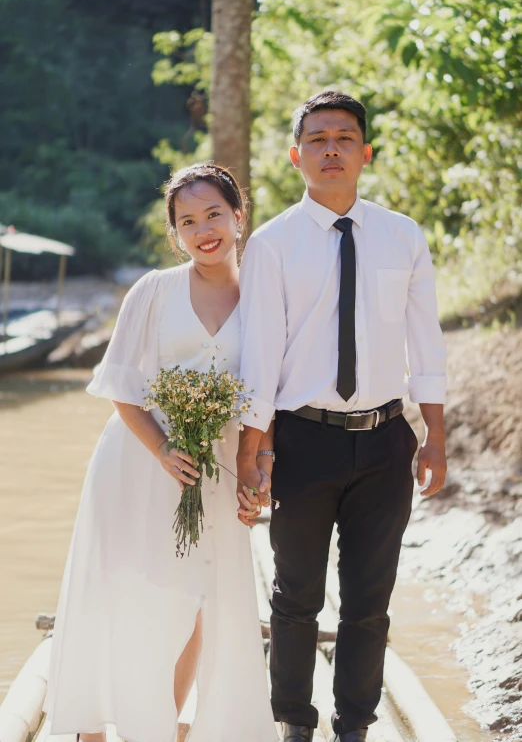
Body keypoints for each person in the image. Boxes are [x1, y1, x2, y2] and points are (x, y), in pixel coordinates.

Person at [236, 90, 447, 742]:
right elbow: (262, 354)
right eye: (319, 139)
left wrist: (435, 435)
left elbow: (426, 342)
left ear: (366, 152)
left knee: (369, 599)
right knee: (295, 595)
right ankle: (295, 722)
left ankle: (354, 723)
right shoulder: (271, 244)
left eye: (345, 138)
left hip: (386, 440)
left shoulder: (402, 236)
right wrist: (254, 449)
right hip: (302, 439)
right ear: (296, 155)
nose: (332, 149)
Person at [44, 163, 277, 742]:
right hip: (141, 460)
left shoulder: (266, 302)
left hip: (217, 468)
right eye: (188, 222)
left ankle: (161, 725)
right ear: (175, 233)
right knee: (129, 587)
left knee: (200, 594)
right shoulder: (153, 290)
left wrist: (259, 467)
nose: (203, 231)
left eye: (214, 215)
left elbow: (270, 396)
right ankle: (95, 725)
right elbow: (121, 387)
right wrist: (166, 448)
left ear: (239, 217)